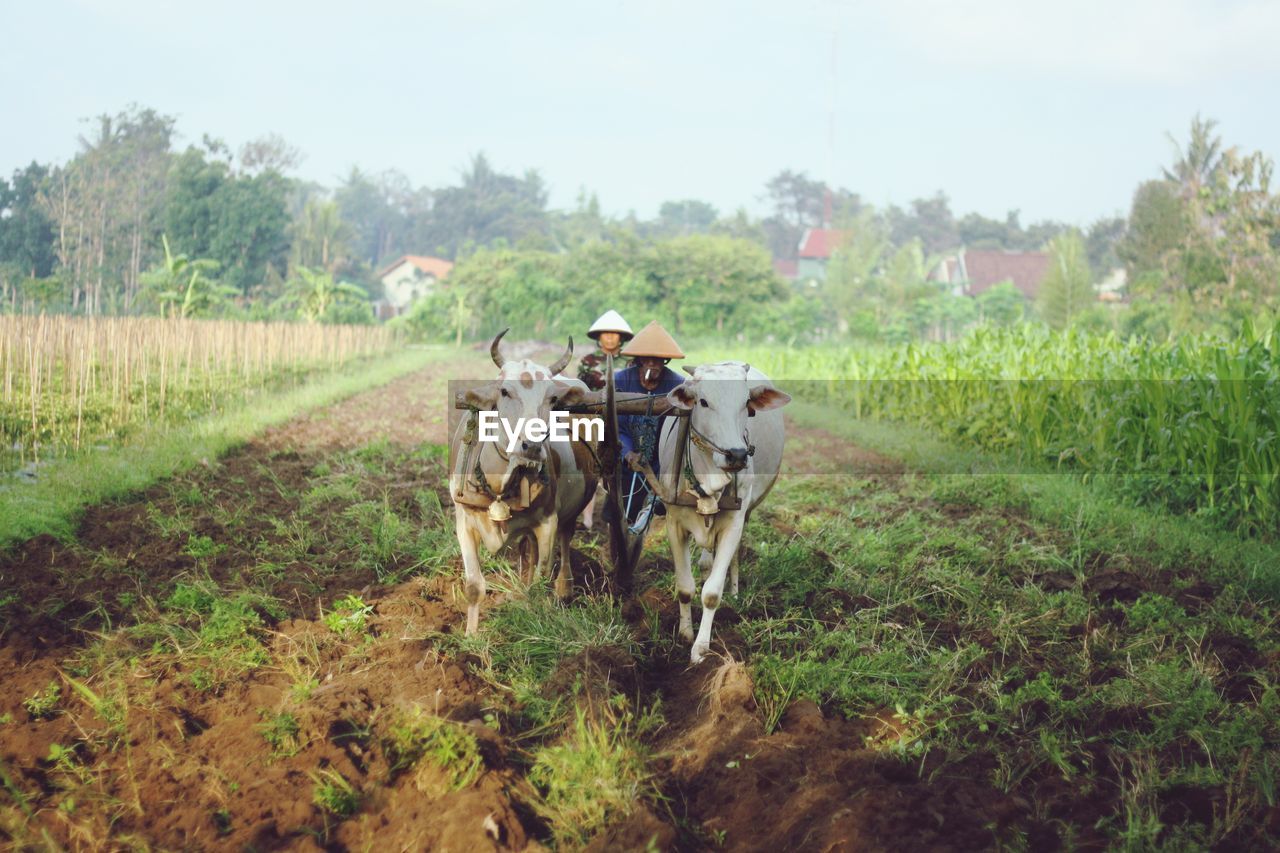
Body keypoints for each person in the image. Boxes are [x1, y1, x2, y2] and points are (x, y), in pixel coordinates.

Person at [613, 321, 685, 531]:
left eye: (658, 360)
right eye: (647, 359)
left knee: (666, 494)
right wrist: (626, 453)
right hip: (626, 449)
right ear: (638, 361)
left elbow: (680, 427)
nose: (652, 364)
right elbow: (613, 425)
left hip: (662, 453)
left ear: (665, 361)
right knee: (621, 494)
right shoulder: (620, 380)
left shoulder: (677, 384)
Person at [577, 310, 633, 390]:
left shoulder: (631, 361)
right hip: (594, 401)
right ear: (599, 336)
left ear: (621, 337)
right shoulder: (587, 361)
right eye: (606, 333)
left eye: (614, 333)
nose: (610, 337)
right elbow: (580, 389)